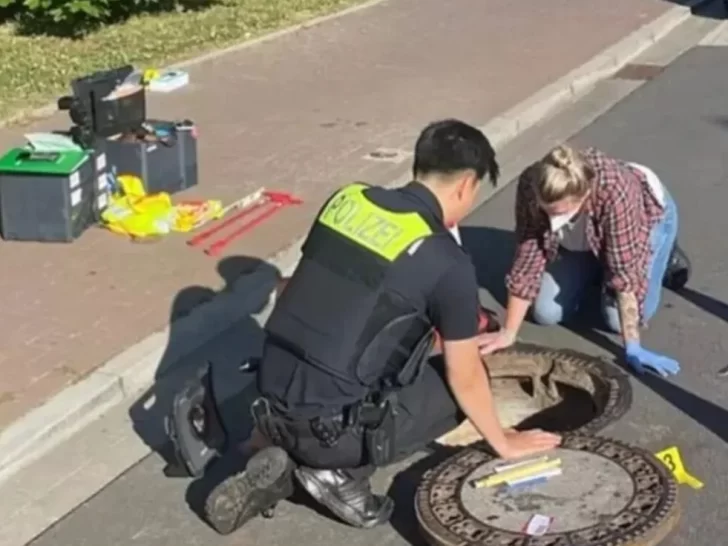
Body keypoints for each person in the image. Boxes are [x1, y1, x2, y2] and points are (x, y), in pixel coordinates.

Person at [204, 119, 561, 535]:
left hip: (269, 396)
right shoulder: (447, 261)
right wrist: (503, 440)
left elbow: (294, 290)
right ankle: (338, 473)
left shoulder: (348, 200)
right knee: (459, 382)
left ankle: (273, 444)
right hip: (332, 434)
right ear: (466, 185)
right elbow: (463, 375)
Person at [478, 145, 690, 377]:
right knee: (546, 312)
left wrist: (633, 346)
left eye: (560, 213)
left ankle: (665, 252)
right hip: (583, 233)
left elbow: (625, 276)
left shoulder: (617, 193)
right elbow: (529, 256)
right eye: (546, 211)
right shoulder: (532, 183)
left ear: (585, 196)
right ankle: (599, 260)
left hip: (643, 218)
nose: (551, 221)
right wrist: (508, 332)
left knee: (615, 320)